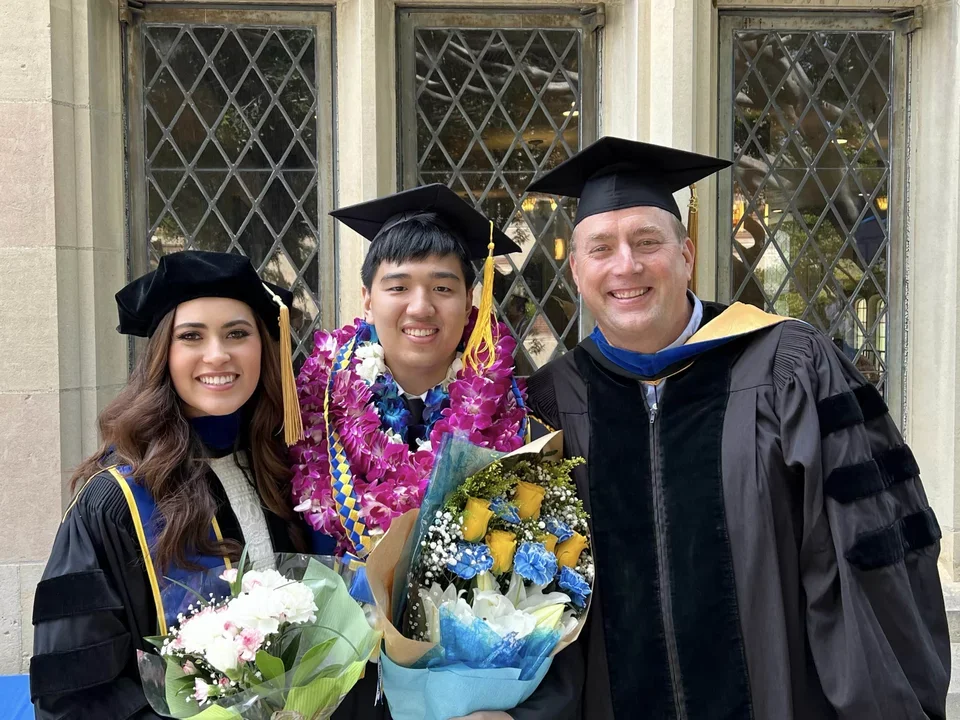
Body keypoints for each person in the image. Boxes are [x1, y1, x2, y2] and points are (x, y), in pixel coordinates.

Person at [524, 137, 950, 719]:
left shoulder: (791, 369)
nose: (627, 265)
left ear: (687, 255)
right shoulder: (550, 403)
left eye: (647, 242)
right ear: (576, 269)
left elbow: (866, 564)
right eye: (601, 248)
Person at [289, 184, 581, 720]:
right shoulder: (304, 414)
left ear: (471, 298)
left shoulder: (529, 419)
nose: (420, 307)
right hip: (331, 698)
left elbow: (557, 590)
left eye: (443, 287)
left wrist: (518, 714)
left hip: (476, 703)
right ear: (368, 300)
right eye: (398, 286)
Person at [30, 251, 310, 719]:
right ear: (164, 355)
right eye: (191, 336)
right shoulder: (115, 500)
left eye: (237, 334)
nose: (217, 354)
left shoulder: (282, 467)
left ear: (264, 346)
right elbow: (74, 695)